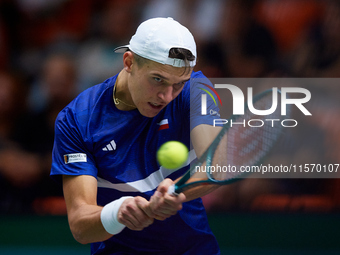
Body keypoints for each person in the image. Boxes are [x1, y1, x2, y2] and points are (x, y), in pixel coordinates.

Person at [51, 17, 221, 254]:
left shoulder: (195, 90)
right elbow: (80, 225)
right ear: (129, 62)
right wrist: (117, 213)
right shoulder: (77, 119)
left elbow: (217, 163)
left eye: (178, 84)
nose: (167, 97)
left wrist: (177, 190)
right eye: (158, 79)